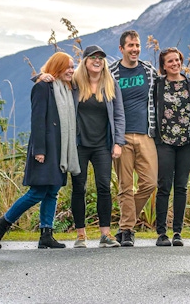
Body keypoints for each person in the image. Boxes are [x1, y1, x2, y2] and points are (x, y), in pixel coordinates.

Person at [0, 52, 80, 249]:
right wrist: (39, 149)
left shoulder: (68, 88)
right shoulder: (42, 87)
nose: (72, 70)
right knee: (37, 192)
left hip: (61, 148)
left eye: (73, 67)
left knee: (53, 191)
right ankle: (2, 223)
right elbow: (37, 119)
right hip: (46, 148)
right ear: (57, 67)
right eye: (68, 67)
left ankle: (46, 234)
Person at [70, 45, 125, 248]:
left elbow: (119, 115)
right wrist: (42, 77)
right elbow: (51, 78)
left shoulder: (111, 84)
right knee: (78, 188)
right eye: (93, 57)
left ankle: (105, 234)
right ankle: (81, 235)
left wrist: (118, 142)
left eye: (101, 58)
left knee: (104, 187)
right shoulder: (74, 83)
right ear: (85, 61)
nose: (97, 61)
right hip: (79, 145)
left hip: (103, 145)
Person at [153, 47, 190, 247]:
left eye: (177, 60)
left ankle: (177, 232)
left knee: (181, 187)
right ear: (163, 66)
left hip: (187, 142)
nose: (175, 64)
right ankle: (161, 233)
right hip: (164, 142)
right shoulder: (157, 85)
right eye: (170, 61)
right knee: (164, 186)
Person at [109, 30, 159, 247]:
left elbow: (161, 95)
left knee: (150, 182)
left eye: (137, 45)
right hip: (120, 137)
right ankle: (128, 230)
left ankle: (123, 224)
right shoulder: (111, 73)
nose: (135, 49)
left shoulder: (149, 71)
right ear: (121, 49)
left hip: (146, 134)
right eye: (130, 45)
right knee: (125, 185)